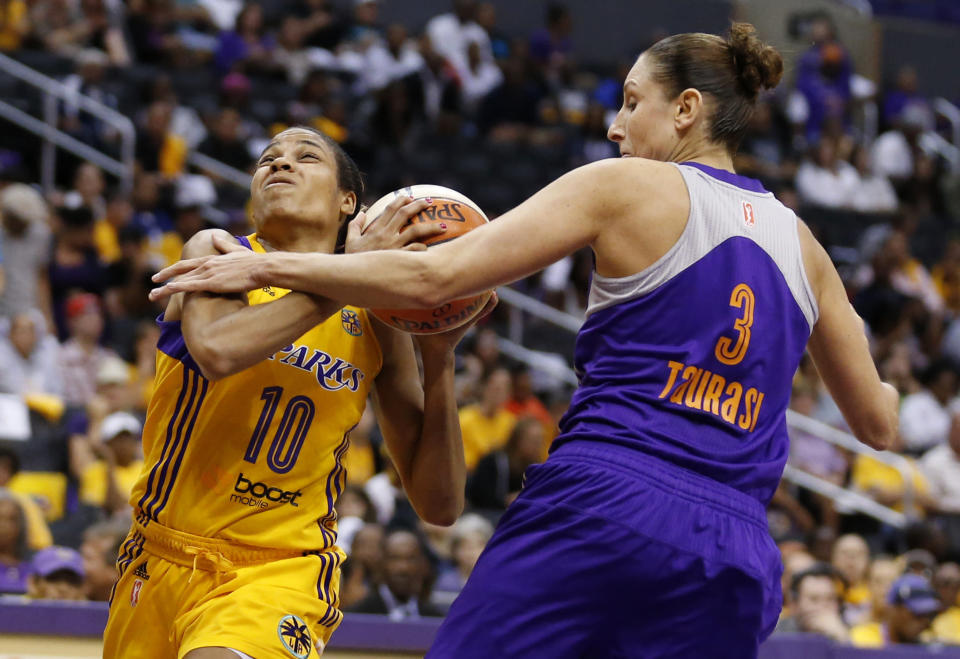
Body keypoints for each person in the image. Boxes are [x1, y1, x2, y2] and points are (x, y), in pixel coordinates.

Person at [152, 24, 899, 658]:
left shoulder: (624, 184)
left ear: (687, 110)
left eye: (632, 104)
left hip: (609, 500)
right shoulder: (807, 249)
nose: (616, 126)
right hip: (735, 547)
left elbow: (433, 276)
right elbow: (879, 422)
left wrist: (265, 261)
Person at [104, 126, 493, 659]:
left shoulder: (377, 318)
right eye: (268, 159)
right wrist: (349, 276)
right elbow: (218, 350)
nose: (279, 164)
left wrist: (440, 357)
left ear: (347, 204)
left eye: (305, 157)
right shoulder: (217, 251)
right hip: (159, 555)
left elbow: (440, 505)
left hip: (280, 568)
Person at [773, 563, 849, 643]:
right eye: (814, 599)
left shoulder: (845, 630)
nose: (822, 606)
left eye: (830, 599)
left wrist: (841, 637)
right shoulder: (777, 635)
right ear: (794, 604)